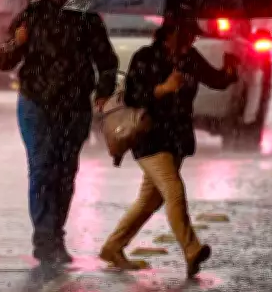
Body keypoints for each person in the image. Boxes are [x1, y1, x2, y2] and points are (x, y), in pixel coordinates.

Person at [0, 0, 119, 265]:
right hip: (36, 104)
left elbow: (107, 61)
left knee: (65, 173)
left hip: (74, 108)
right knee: (42, 167)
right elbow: (3, 61)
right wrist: (17, 42)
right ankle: (43, 236)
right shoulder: (30, 17)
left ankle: (56, 234)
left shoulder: (87, 19)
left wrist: (102, 92)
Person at [98, 16, 238, 278]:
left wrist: (229, 73)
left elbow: (214, 79)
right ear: (169, 33)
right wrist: (162, 89)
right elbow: (132, 96)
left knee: (149, 200)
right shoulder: (146, 57)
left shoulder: (189, 58)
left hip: (176, 138)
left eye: (192, 38)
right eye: (186, 36)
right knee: (174, 191)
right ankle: (191, 249)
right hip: (149, 137)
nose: (190, 41)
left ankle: (113, 247)